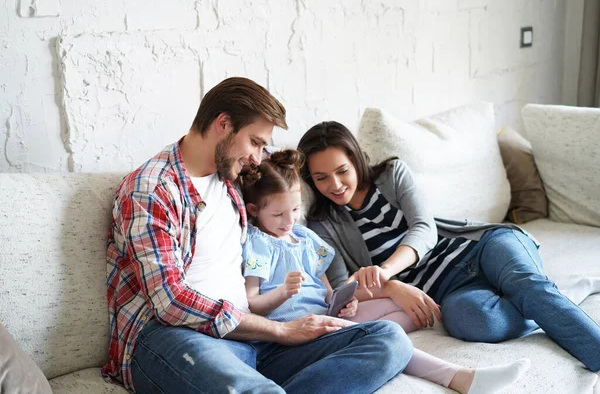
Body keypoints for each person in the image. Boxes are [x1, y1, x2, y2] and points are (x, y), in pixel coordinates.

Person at [101, 78, 414, 394]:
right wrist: (279, 330)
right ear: (223, 124)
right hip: (175, 338)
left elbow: (291, 187)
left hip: (252, 340)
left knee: (388, 340)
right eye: (255, 141)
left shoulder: (233, 179)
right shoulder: (152, 190)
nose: (258, 156)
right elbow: (169, 303)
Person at [296, 120, 600, 375]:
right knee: (468, 320)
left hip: (481, 247)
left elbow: (424, 229)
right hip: (450, 290)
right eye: (321, 178)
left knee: (527, 287)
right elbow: (340, 289)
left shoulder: (392, 174)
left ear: (356, 160)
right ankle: (548, 301)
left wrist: (386, 271)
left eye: (342, 171)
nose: (334, 184)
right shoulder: (323, 223)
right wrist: (392, 288)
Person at [238, 149, 530, 394]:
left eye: (294, 210)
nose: (288, 220)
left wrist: (344, 301)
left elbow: (327, 292)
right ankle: (460, 377)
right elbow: (252, 304)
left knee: (402, 308)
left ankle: (366, 338)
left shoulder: (306, 239)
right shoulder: (258, 246)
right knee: (389, 334)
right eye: (277, 214)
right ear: (253, 210)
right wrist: (282, 293)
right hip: (295, 330)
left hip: (324, 318)